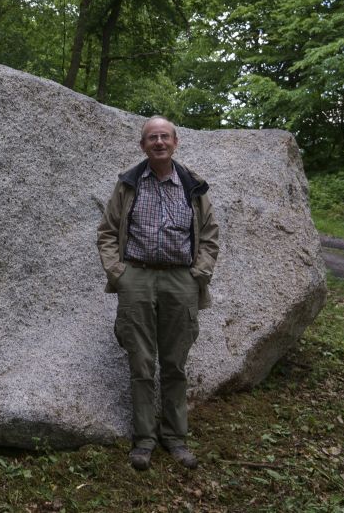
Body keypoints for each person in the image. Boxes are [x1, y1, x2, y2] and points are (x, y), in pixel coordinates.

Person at [96, 115, 219, 471]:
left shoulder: (193, 185)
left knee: (175, 362)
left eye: (165, 136)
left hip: (180, 280)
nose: (159, 142)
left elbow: (210, 235)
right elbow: (107, 232)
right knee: (140, 361)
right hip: (137, 278)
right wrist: (118, 273)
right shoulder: (128, 184)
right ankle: (144, 440)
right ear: (143, 145)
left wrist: (199, 272)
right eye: (152, 137)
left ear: (176, 142)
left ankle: (176, 439)